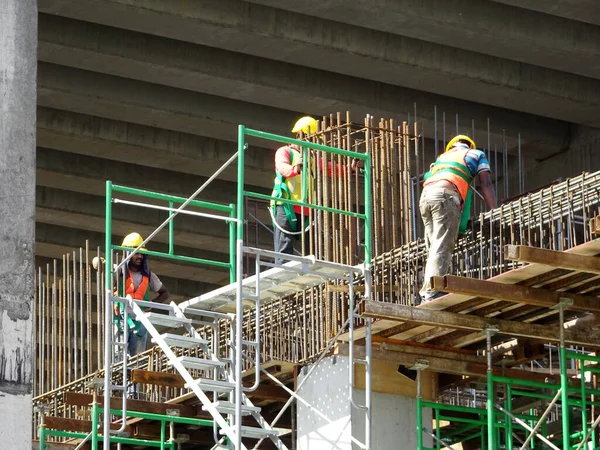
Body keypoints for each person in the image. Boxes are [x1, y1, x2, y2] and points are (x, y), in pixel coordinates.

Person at [270, 116, 360, 263]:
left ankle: (311, 281)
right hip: (285, 205)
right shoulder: (285, 151)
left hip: (306, 208)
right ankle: (283, 272)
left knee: (312, 251)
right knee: (284, 248)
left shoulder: (312, 157)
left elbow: (330, 168)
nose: (314, 142)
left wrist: (348, 169)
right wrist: (295, 169)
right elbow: (282, 167)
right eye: (312, 137)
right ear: (301, 135)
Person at [419, 135, 496, 303]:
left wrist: (459, 227)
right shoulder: (476, 154)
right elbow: (485, 184)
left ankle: (426, 293)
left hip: (425, 198)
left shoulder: (441, 159)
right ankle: (433, 290)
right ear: (469, 146)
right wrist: (495, 211)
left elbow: (428, 178)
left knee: (433, 247)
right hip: (445, 196)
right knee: (442, 245)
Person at [115, 232, 169, 356]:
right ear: (127, 254)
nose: (140, 256)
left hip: (140, 321)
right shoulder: (119, 272)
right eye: (136, 253)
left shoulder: (148, 276)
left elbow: (165, 292)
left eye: (141, 254)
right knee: (118, 357)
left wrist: (153, 304)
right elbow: (107, 280)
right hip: (121, 318)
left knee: (137, 359)